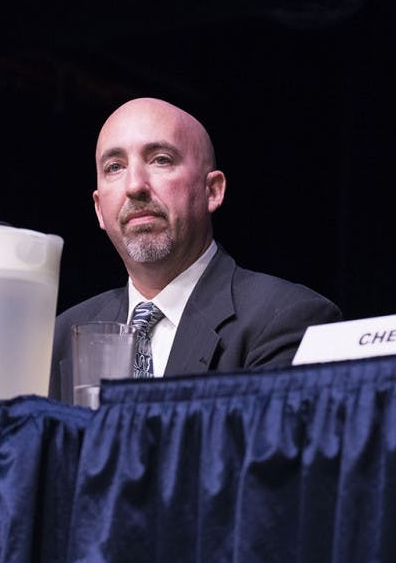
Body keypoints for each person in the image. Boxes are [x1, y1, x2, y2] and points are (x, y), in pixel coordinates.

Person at [49, 97, 341, 397]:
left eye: (160, 159)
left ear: (212, 191)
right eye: (115, 166)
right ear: (98, 208)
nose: (135, 185)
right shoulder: (59, 338)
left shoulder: (286, 319)